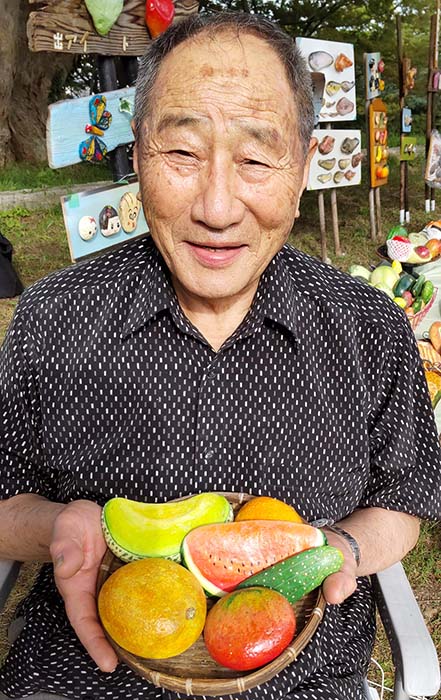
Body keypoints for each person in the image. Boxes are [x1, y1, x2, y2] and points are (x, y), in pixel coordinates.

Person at [0, 12, 440, 700]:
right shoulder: (52, 318)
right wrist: (62, 526)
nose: (216, 207)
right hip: (87, 673)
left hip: (305, 680)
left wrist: (342, 550)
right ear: (138, 155)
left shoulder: (369, 328)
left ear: (302, 167)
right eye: (181, 152)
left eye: (256, 159)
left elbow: (402, 501)